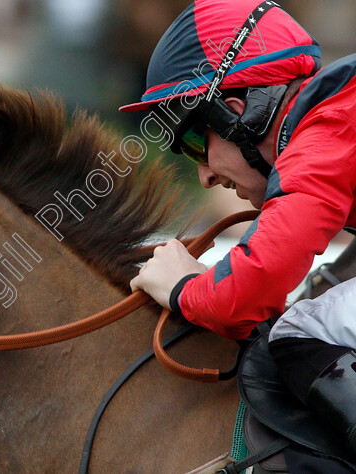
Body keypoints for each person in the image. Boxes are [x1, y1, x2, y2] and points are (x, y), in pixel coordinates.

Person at [122, 0, 356, 470]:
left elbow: (249, 291)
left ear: (237, 114)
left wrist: (183, 285)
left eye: (194, 145)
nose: (205, 177)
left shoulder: (324, 131)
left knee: (298, 327)